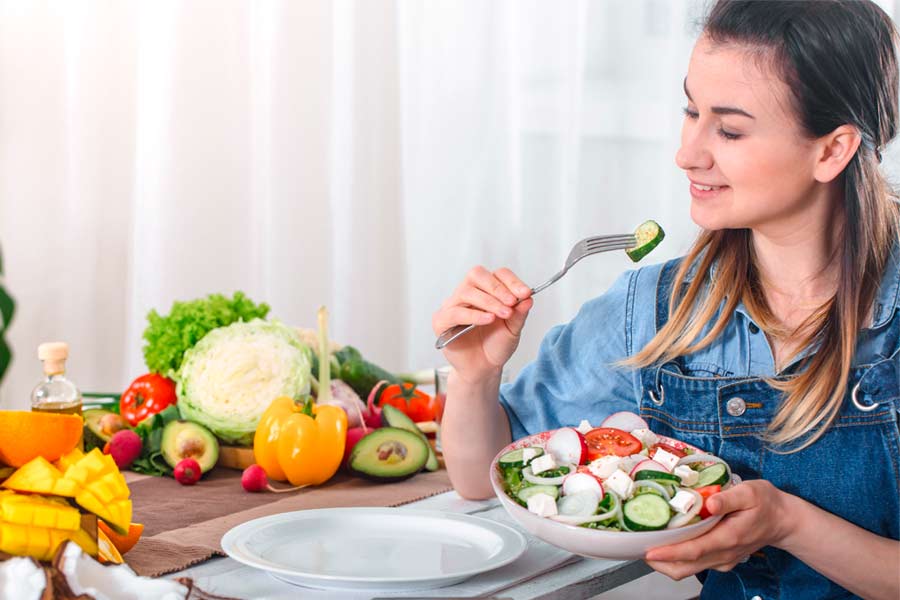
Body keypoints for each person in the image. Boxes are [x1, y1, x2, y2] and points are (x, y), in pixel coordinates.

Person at [432, 1, 900, 598]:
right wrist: (475, 375)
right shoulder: (655, 308)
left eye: (729, 129)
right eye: (690, 109)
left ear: (831, 151)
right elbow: (483, 476)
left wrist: (788, 523)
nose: (688, 152)